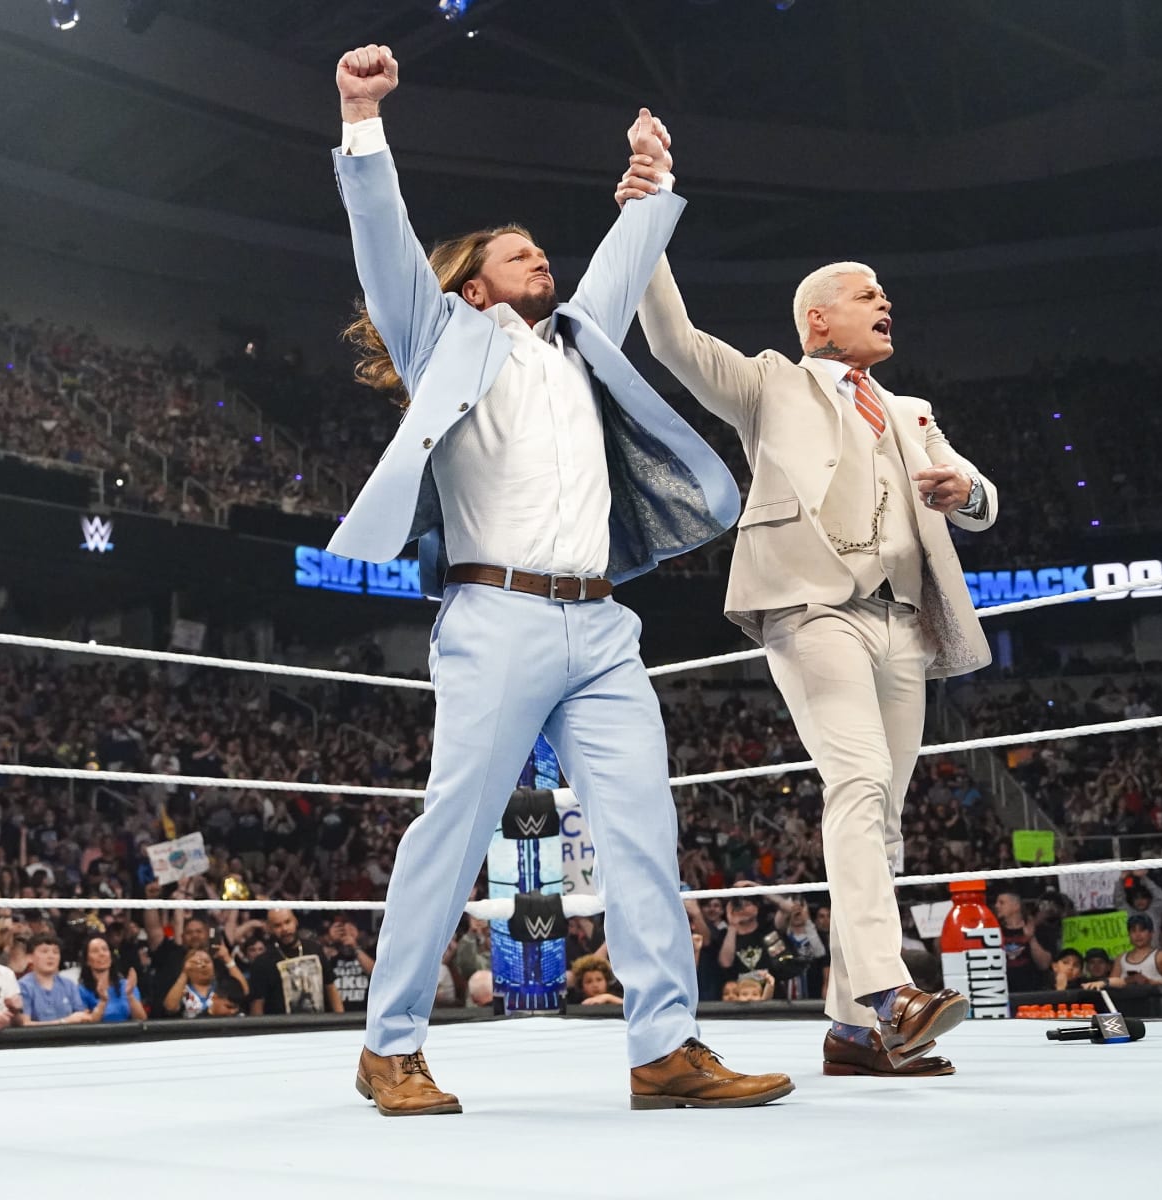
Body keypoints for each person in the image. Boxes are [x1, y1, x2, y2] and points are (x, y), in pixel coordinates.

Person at [328, 44, 784, 1116]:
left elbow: (624, 261)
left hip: (602, 627)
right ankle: (388, 1044)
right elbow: (384, 246)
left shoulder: (580, 339)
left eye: (544, 250)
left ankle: (665, 1046)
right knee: (455, 826)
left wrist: (652, 180)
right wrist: (360, 117)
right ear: (474, 281)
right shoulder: (441, 334)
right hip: (496, 614)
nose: (541, 261)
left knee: (641, 831)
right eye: (518, 253)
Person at [624, 141, 991, 1078]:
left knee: (885, 811)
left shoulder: (908, 409)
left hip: (902, 616)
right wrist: (649, 213)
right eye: (870, 295)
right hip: (808, 605)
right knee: (859, 780)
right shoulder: (767, 384)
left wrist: (966, 490)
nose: (887, 305)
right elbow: (669, 338)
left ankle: (850, 1033)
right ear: (819, 318)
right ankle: (886, 993)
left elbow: (980, 494)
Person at [248, 909, 339, 1016]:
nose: (284, 929)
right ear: (270, 929)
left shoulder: (314, 949)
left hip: (318, 1025)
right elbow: (257, 1004)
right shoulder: (262, 962)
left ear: (295, 921)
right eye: (278, 925)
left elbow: (330, 986)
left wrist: (341, 1022)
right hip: (282, 1028)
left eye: (287, 922)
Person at [18, 933, 94, 1025]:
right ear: (29, 957)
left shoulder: (69, 985)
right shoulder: (23, 986)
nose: (51, 956)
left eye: (55, 952)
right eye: (44, 951)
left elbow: (81, 1016)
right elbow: (25, 1023)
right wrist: (64, 1022)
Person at [79, 934, 146, 1023]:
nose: (101, 954)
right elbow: (86, 1025)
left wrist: (130, 995)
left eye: (105, 949)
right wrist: (103, 1002)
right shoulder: (81, 990)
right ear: (87, 961)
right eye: (95, 951)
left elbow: (142, 1019)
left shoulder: (126, 985)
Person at [1110, 914, 1162, 988]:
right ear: (1129, 934)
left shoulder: (1161, 956)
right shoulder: (1120, 958)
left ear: (1151, 933)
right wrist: (1128, 980)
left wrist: (1149, 982)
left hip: (1155, 998)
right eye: (1133, 931)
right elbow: (1111, 986)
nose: (1138, 935)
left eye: (1142, 930)